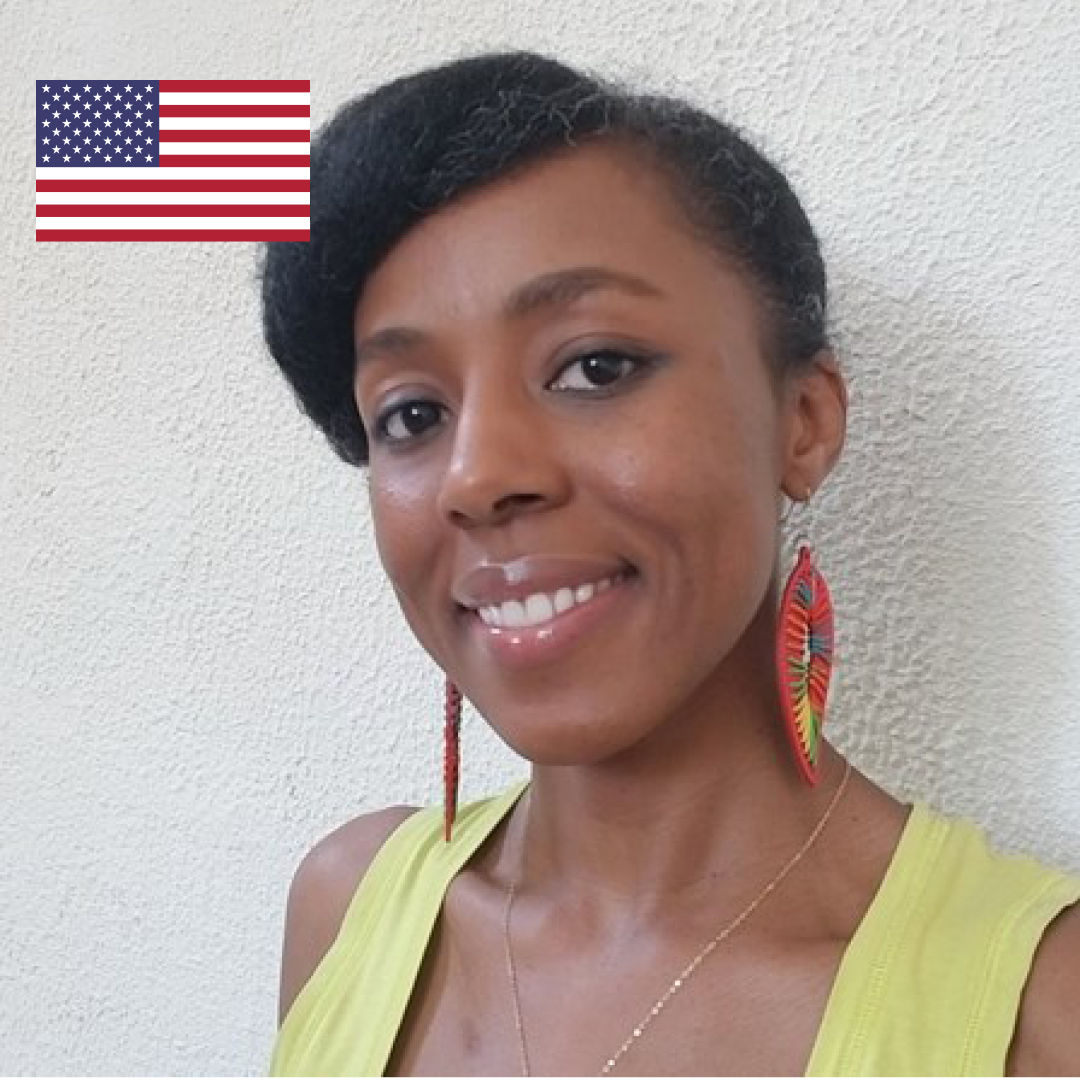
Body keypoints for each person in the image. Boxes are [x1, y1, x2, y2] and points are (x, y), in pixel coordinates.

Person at [259, 50, 1080, 1076]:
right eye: (413, 415)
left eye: (595, 366)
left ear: (803, 423)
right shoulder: (348, 906)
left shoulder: (1042, 1012)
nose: (478, 477)